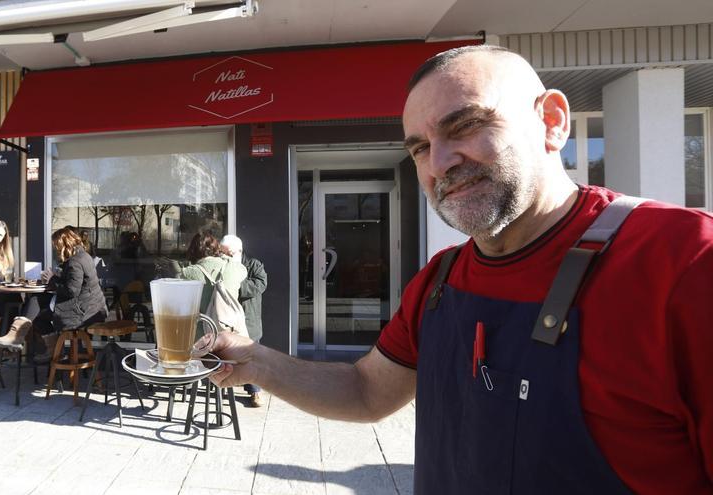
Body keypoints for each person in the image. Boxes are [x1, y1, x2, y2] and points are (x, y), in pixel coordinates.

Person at [209, 45, 713, 494]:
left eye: (466, 125)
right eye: (420, 147)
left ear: (553, 121)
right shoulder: (439, 280)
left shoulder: (686, 260)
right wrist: (255, 362)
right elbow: (366, 391)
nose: (439, 163)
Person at [30, 227, 108, 361]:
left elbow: (72, 291)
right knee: (38, 302)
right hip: (93, 308)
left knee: (38, 314)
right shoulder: (83, 256)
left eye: (56, 246)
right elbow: (74, 283)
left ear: (64, 245)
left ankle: (54, 351)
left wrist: (52, 279)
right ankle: (55, 350)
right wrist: (55, 278)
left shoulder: (74, 262)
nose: (56, 249)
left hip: (83, 313)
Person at [219, 234, 267, 408]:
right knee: (225, 353)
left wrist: (235, 285)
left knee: (251, 356)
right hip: (226, 317)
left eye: (228, 253)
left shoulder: (254, 264)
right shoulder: (221, 264)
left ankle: (255, 391)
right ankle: (222, 386)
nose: (224, 256)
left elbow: (261, 284)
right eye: (221, 253)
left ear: (238, 251)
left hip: (248, 318)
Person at [179, 231, 246, 312]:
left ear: (192, 251)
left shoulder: (188, 273)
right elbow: (243, 271)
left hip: (204, 323)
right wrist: (225, 256)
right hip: (229, 323)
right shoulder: (233, 267)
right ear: (217, 248)